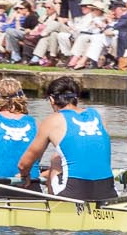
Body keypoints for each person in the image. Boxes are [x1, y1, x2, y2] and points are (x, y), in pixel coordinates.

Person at [16, 74, 117, 203]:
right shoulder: (97, 116)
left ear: (52, 100)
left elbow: (23, 164)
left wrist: (25, 176)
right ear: (76, 98)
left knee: (55, 160)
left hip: (74, 193)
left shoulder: (53, 120)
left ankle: (53, 205)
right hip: (108, 191)